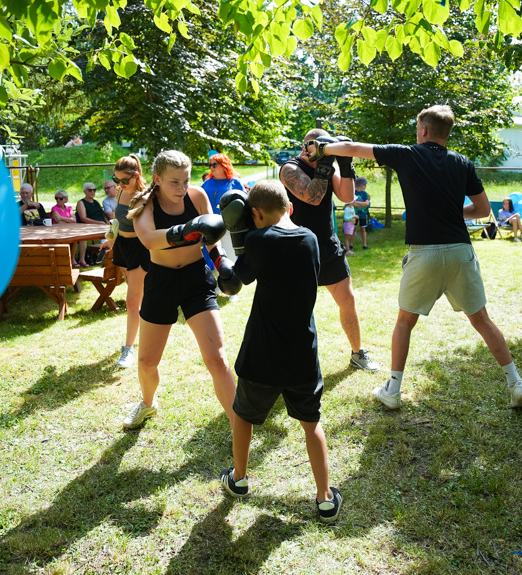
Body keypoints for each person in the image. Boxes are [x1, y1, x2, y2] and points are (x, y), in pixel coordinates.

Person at [308, 105, 522, 409]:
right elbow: (482, 211)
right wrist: (452, 212)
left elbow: (352, 148)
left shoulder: (407, 154)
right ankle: (516, 382)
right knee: (481, 320)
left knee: (404, 323)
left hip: (424, 253)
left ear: (423, 129)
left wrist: (321, 147)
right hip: (460, 251)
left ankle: (393, 391)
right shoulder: (462, 163)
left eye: (417, 128)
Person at [217, 180, 342, 522]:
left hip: (262, 351)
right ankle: (325, 497)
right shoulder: (310, 238)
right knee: (310, 421)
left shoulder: (257, 240)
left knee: (244, 414)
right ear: (290, 206)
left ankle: (239, 479)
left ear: (254, 214)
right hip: (302, 349)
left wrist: (221, 255)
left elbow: (233, 283)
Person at [123, 150, 239, 429]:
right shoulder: (144, 202)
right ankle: (148, 404)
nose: (182, 188)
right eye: (175, 182)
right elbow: (149, 239)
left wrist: (222, 263)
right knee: (147, 361)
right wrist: (188, 229)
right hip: (160, 281)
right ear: (158, 179)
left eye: (185, 181)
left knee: (217, 358)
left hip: (196, 280)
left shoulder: (197, 196)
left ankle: (239, 422)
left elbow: (212, 236)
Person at [279, 130, 379, 372]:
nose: (318, 149)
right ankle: (293, 361)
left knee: (348, 300)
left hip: (327, 244)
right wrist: (324, 162)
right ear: (305, 146)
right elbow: (312, 196)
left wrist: (344, 163)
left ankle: (357, 352)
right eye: (314, 146)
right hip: (298, 248)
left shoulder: (329, 166)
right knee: (298, 309)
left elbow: (347, 196)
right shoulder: (289, 169)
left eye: (323, 146)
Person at [104, 154, 151, 369]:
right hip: (122, 246)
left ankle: (128, 348)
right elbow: (117, 219)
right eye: (116, 180)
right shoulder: (122, 191)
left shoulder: (146, 196)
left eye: (124, 180)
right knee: (136, 300)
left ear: (136, 176)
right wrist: (111, 239)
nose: (119, 185)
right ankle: (141, 335)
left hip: (140, 250)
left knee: (132, 302)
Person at [203, 153, 246, 268]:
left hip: (229, 225)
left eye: (214, 164)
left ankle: (229, 282)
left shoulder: (235, 182)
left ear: (224, 165)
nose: (211, 168)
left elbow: (244, 202)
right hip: (209, 226)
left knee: (228, 258)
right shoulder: (206, 183)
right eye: (210, 165)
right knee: (209, 258)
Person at [76, 182, 109, 267]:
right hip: (90, 226)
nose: (92, 192)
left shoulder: (96, 202)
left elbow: (102, 214)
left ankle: (110, 258)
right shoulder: (81, 202)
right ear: (84, 191)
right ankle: (101, 258)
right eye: (90, 190)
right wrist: (99, 223)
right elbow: (83, 218)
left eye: (94, 190)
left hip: (102, 225)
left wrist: (107, 221)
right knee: (106, 237)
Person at [353, 177, 371, 250]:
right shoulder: (354, 193)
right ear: (360, 185)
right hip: (355, 214)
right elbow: (352, 203)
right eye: (364, 184)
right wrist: (362, 203)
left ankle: (364, 245)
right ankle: (350, 244)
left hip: (363, 214)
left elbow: (367, 204)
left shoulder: (364, 193)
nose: (365, 186)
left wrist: (357, 203)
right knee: (353, 229)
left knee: (363, 229)